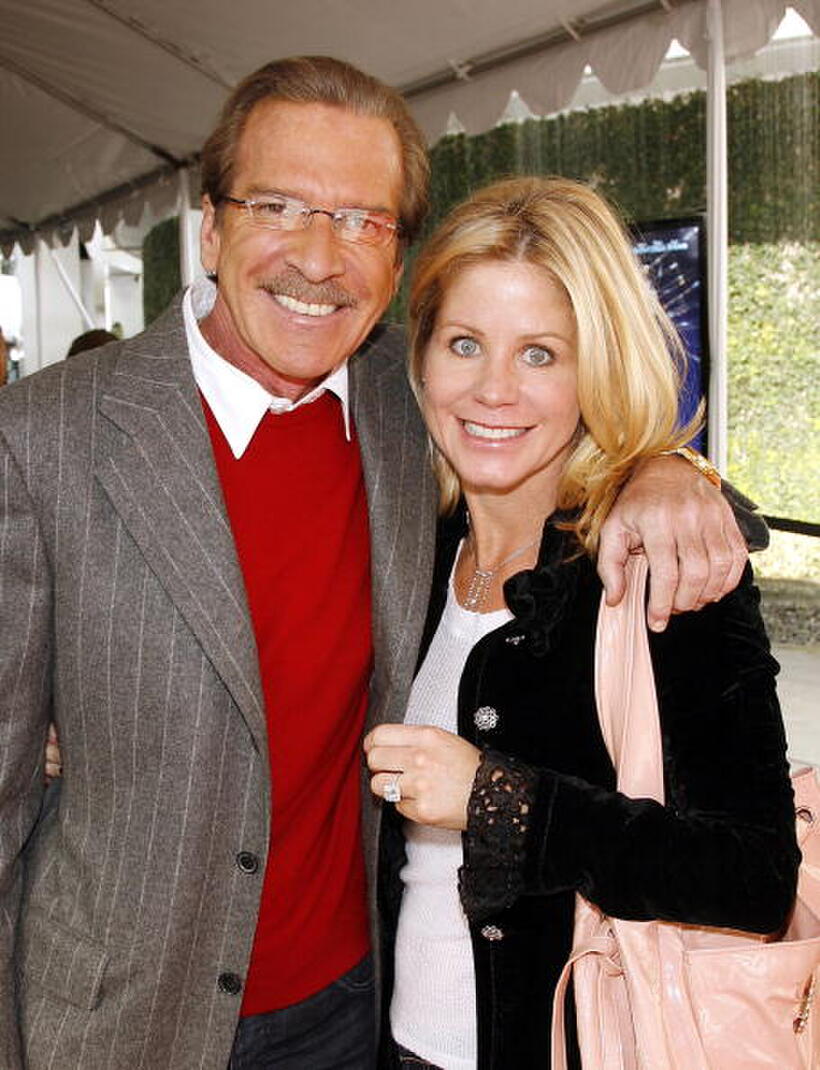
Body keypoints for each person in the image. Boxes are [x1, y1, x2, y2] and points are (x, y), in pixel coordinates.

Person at [0, 56, 751, 1070]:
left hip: (357, 1012)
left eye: (363, 220)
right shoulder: (43, 437)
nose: (320, 256)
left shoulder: (413, 421)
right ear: (210, 227)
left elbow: (555, 417)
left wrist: (672, 469)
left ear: (397, 258)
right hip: (114, 1020)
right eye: (280, 205)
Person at [366, 177, 799, 1070]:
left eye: (540, 355)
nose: (493, 390)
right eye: (465, 344)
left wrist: (501, 803)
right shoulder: (404, 541)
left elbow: (755, 876)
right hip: (393, 1044)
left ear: (596, 366)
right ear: (421, 356)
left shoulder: (660, 568)